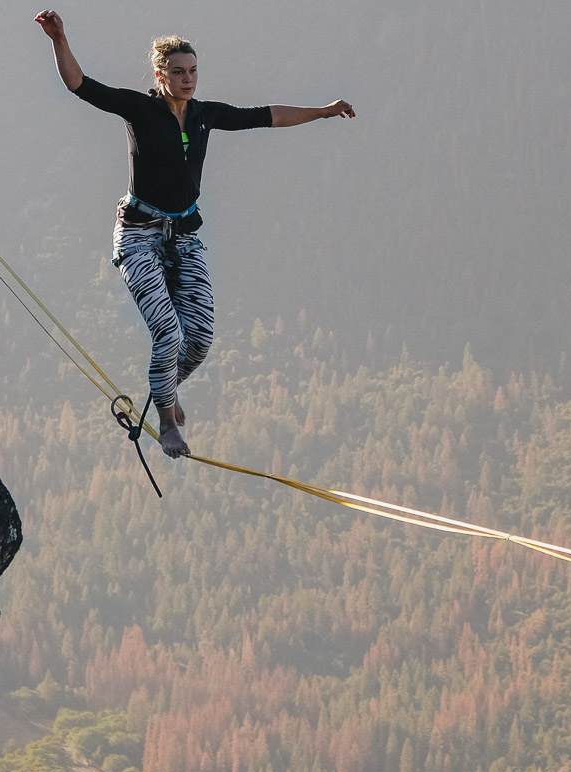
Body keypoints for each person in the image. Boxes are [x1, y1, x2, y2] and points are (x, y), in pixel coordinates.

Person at [36, 10, 354, 458]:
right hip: (139, 234)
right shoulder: (140, 110)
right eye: (179, 73)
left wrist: (323, 111)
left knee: (199, 337)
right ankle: (167, 423)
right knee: (167, 330)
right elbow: (81, 86)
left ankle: (165, 388)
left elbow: (268, 116)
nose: (188, 80)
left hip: (183, 233)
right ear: (160, 75)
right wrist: (59, 39)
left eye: (193, 72)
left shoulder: (204, 115)